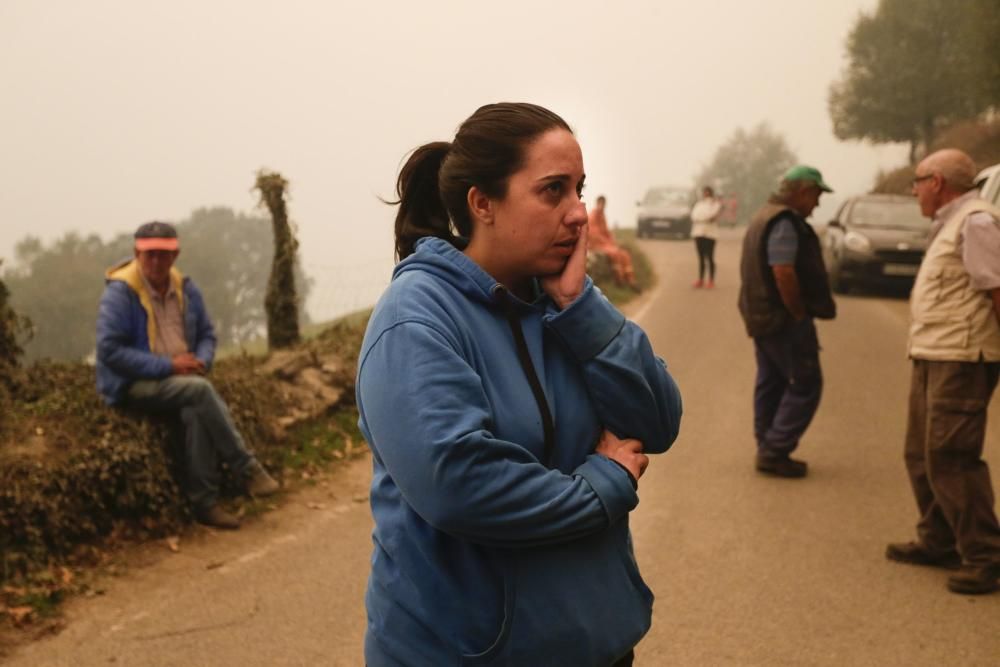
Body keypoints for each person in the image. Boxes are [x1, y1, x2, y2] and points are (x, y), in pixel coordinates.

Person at [357, 103, 683, 667]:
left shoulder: (563, 301)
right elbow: (459, 483)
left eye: (579, 189)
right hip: (466, 654)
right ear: (482, 203)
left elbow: (657, 422)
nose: (578, 213)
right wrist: (603, 483)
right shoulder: (416, 319)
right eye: (552, 190)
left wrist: (582, 310)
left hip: (594, 643)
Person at [95, 221, 280, 530]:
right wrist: (169, 367)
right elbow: (110, 351)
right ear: (137, 254)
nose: (156, 261)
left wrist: (201, 361)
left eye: (163, 255)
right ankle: (246, 468)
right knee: (199, 392)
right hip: (132, 384)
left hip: (182, 379)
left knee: (196, 407)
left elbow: (207, 334)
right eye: (150, 254)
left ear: (175, 255)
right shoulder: (120, 294)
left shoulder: (186, 288)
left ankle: (204, 504)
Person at [885, 148, 1000, 595]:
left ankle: (986, 556)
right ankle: (939, 539)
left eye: (917, 180)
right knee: (920, 453)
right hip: (934, 352)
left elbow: (996, 290)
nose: (913, 189)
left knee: (952, 457)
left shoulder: (977, 221)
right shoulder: (952, 222)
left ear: (937, 182)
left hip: (962, 357)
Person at [737, 165, 836, 478]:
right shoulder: (785, 223)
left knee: (772, 380)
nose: (817, 204)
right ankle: (775, 448)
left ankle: (767, 443)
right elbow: (783, 270)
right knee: (806, 383)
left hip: (761, 317)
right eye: (817, 195)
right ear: (803, 191)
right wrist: (797, 312)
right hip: (782, 321)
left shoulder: (764, 215)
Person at [587, 194, 637, 289]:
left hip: (606, 244)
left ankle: (631, 280)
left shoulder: (602, 216)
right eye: (600, 203)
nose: (602, 206)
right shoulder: (593, 216)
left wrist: (612, 241)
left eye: (603, 204)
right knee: (615, 253)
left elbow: (606, 232)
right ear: (597, 203)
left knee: (624, 254)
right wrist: (608, 243)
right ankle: (620, 280)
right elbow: (594, 235)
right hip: (597, 245)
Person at [689, 186, 722, 288]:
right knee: (701, 258)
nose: (706, 194)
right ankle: (701, 279)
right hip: (698, 233)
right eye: (704, 192)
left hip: (710, 234)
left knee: (710, 257)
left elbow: (711, 215)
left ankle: (711, 280)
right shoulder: (699, 204)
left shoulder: (715, 204)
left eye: (707, 192)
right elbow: (694, 216)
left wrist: (703, 218)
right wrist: (704, 218)